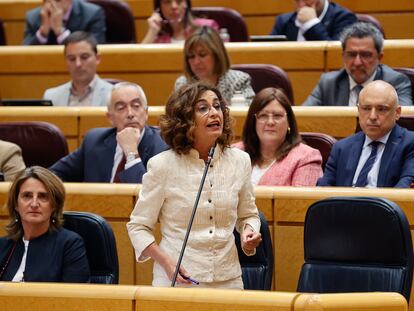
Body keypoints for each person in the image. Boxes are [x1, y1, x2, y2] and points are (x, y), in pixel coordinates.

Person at [127, 82, 262, 288]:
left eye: (217, 106)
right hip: (177, 278)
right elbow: (138, 227)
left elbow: (248, 215)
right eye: (203, 108)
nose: (214, 113)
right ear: (185, 120)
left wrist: (248, 232)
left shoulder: (240, 161)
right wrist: (165, 261)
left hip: (228, 280)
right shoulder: (162, 165)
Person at [49, 82, 168, 183]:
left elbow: (145, 197)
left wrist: (131, 152)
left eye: (136, 106)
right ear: (110, 117)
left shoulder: (162, 145)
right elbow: (51, 176)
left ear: (146, 112)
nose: (130, 113)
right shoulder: (94, 141)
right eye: (121, 108)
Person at [0, 166, 90, 282]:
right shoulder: (3, 245)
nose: (34, 204)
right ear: (16, 204)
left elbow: (74, 297)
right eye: (27, 196)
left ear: (54, 205)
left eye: (43, 197)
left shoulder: (69, 245)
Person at [318, 80, 414, 188]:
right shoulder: (341, 148)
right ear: (359, 110)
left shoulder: (410, 144)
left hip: (384, 204)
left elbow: (404, 190)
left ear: (397, 113)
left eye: (381, 109)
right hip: (345, 204)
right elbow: (323, 190)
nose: (372, 116)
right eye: (366, 108)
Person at [303, 22, 412, 106]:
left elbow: (404, 121)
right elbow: (304, 119)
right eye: (351, 54)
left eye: (365, 55)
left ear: (379, 57)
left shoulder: (396, 82)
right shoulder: (328, 83)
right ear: (343, 56)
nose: (357, 62)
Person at [233, 88, 322, 186]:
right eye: (263, 116)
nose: (270, 122)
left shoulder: (305, 157)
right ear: (253, 122)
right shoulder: (234, 153)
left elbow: (300, 201)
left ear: (289, 122)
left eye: (277, 116)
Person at [174, 26, 255, 105]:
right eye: (191, 56)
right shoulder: (182, 84)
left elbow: (249, 114)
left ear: (217, 55)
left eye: (202, 55)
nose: (196, 62)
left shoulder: (238, 81)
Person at [43, 31, 113, 107]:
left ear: (97, 58)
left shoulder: (113, 95)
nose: (78, 64)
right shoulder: (51, 97)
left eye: (84, 57)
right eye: (72, 59)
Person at [23, 0, 106, 45]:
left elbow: (95, 49)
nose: (54, 3)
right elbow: (24, 54)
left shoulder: (93, 14)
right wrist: (43, 33)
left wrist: (60, 32)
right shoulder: (32, 17)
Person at [270, 0, 356, 41]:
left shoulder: (344, 18)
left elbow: (336, 55)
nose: (301, 5)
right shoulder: (283, 21)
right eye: (297, 1)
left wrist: (311, 24)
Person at [142, 0, 219, 43]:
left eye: (179, 1)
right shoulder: (158, 37)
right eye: (167, 2)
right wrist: (152, 31)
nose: (174, 6)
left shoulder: (206, 27)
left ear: (186, 4)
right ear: (159, 9)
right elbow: (139, 60)